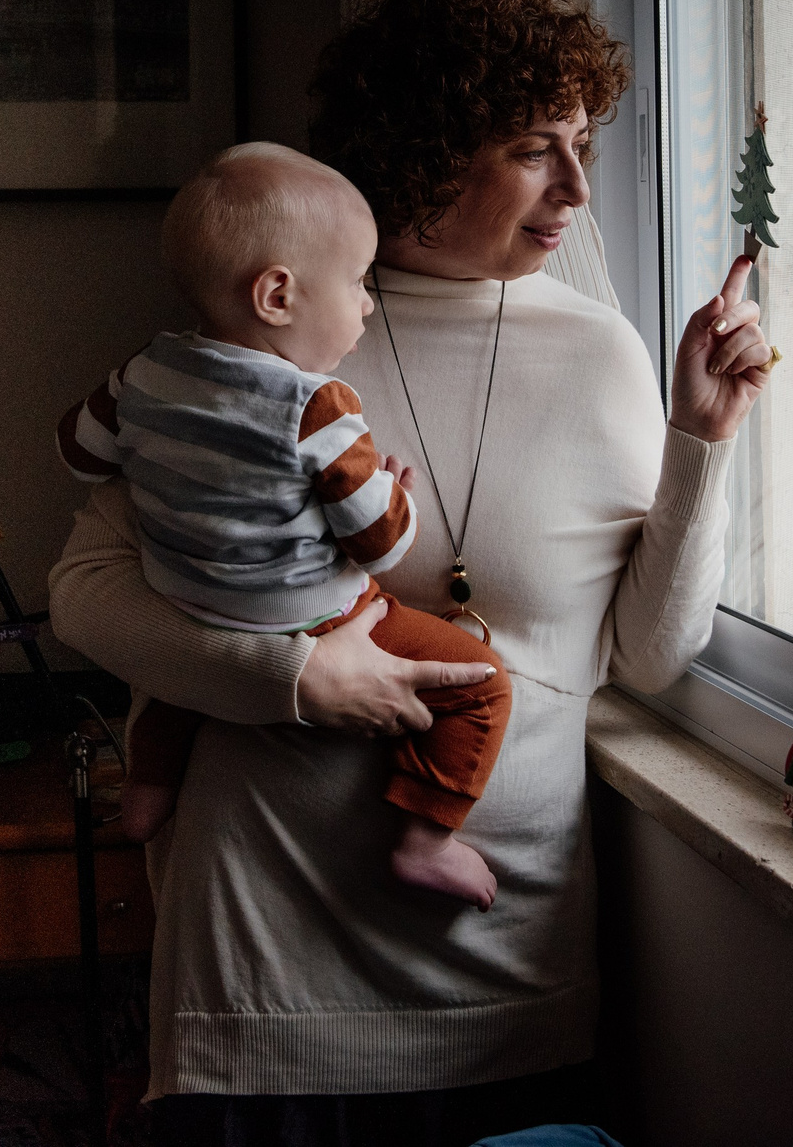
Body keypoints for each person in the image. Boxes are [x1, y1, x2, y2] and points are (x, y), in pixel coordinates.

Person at [48, 0, 771, 1147]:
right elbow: (82, 590)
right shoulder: (267, 331)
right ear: (430, 147)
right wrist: (291, 677)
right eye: (537, 146)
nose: (577, 186)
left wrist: (701, 441)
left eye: (583, 143)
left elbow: (648, 655)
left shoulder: (601, 353)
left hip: (505, 963)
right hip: (261, 968)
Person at [54, 143, 513, 907]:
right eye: (358, 283)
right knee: (484, 686)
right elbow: (385, 545)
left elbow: (78, 452)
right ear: (277, 295)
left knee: (171, 691)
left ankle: (145, 795)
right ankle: (428, 837)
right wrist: (396, 495)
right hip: (313, 618)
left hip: (186, 607)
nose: (367, 302)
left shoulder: (142, 371)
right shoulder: (318, 406)